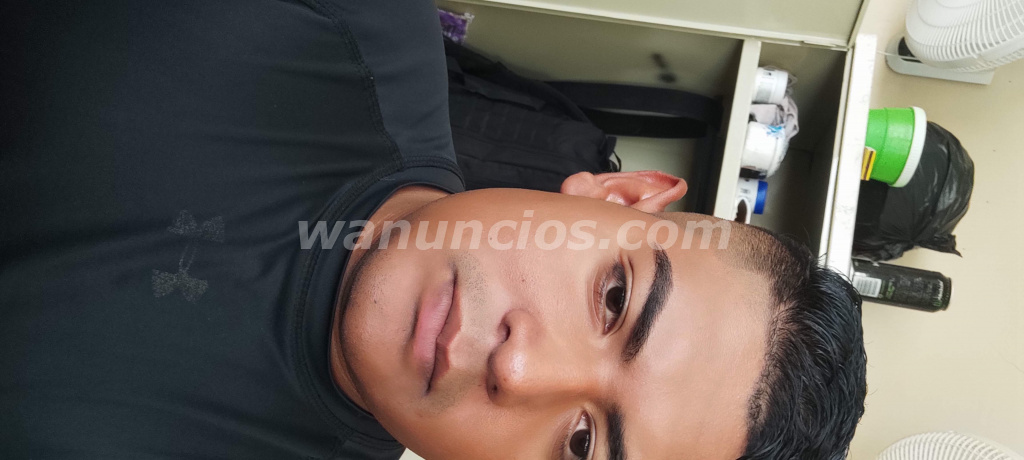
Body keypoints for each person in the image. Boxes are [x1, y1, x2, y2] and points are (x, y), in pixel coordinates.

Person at [0, 0, 866, 459]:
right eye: (614, 297)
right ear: (619, 194)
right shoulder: (342, 16)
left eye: (580, 447)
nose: (519, 370)